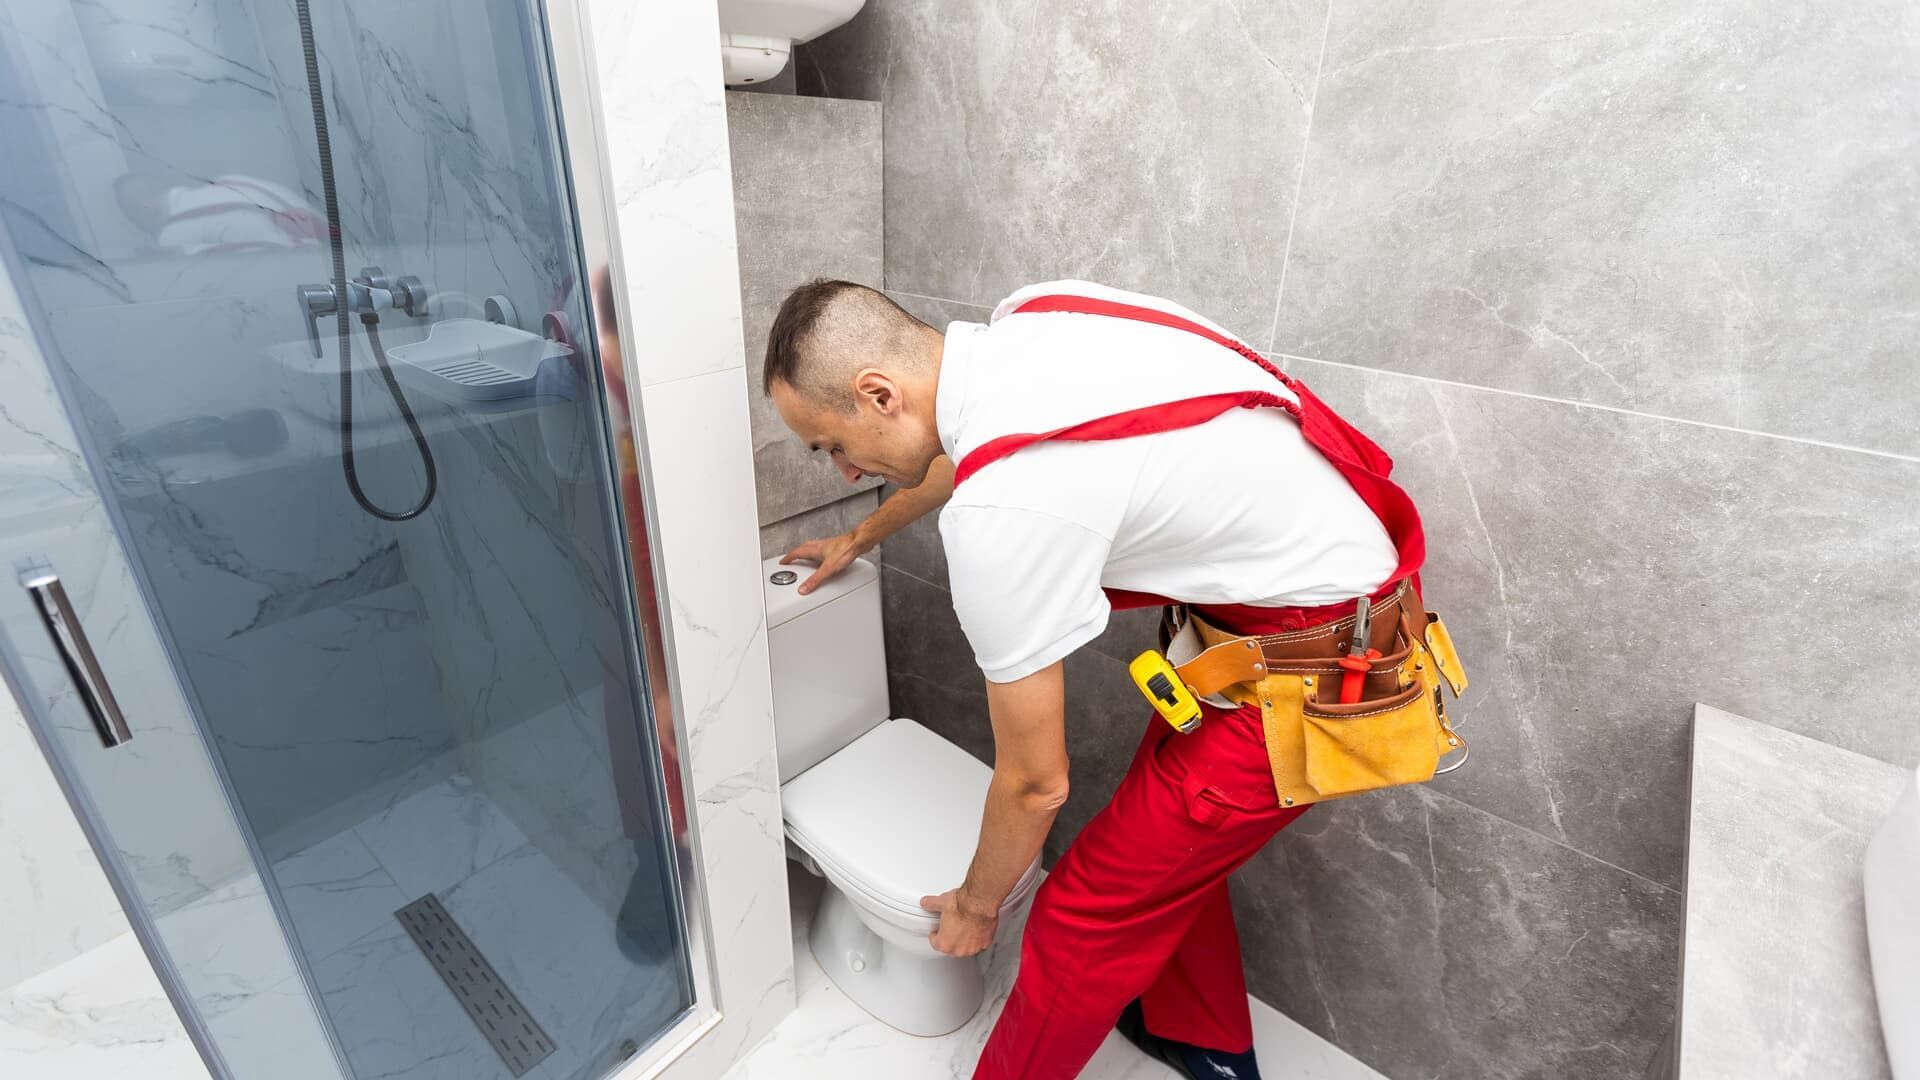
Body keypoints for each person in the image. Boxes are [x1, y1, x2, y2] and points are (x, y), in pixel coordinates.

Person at [763, 278, 1428, 1080]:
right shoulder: (1035, 320)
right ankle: (1202, 1038)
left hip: (1315, 679)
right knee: (1165, 854)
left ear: (878, 394)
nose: (839, 470)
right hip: (1273, 629)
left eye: (829, 444)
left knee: (1079, 919)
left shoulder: (1003, 516)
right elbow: (970, 451)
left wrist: (976, 907)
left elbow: (1036, 784)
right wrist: (861, 532)